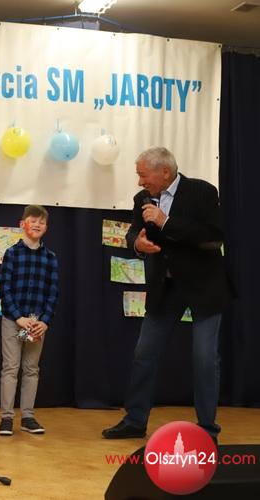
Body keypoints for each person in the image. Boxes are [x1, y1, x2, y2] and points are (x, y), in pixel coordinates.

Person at [102, 147, 229, 441]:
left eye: (143, 175)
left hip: (204, 287)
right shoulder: (142, 199)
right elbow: (133, 233)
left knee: (204, 358)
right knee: (143, 354)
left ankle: (207, 429)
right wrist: (138, 244)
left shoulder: (203, 192)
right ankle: (135, 421)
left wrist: (165, 222)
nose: (140, 182)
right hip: (165, 287)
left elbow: (212, 237)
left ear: (165, 172)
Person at [0, 205, 59, 436]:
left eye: (42, 222)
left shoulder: (50, 258)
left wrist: (45, 321)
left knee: (32, 369)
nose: (37, 225)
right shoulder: (12, 253)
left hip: (36, 324)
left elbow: (53, 292)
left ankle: (28, 417)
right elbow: (4, 288)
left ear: (46, 227)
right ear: (22, 224)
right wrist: (18, 317)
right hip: (13, 320)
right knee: (11, 368)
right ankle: (6, 418)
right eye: (33, 220)